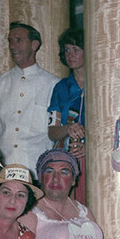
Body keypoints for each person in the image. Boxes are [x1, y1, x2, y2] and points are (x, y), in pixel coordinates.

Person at [0, 22, 56, 171]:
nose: (13, 46)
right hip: (2, 172)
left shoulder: (53, 84)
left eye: (19, 40)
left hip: (37, 171)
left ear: (34, 45)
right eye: (10, 41)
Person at [47, 27, 87, 202]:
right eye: (67, 50)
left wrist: (90, 148)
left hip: (94, 160)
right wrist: (68, 128)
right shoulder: (61, 88)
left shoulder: (102, 84)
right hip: (65, 157)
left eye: (76, 49)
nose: (70, 54)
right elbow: (52, 132)